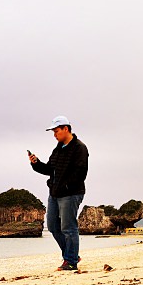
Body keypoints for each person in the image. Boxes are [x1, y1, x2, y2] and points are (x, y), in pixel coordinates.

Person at [29, 115, 89, 271]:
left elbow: (81, 173)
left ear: (66, 129)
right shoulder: (58, 149)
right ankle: (72, 255)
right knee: (53, 226)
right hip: (55, 193)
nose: (54, 135)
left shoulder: (79, 148)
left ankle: (70, 261)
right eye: (53, 132)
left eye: (56, 131)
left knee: (69, 228)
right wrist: (36, 163)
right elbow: (49, 169)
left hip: (70, 194)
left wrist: (66, 186)